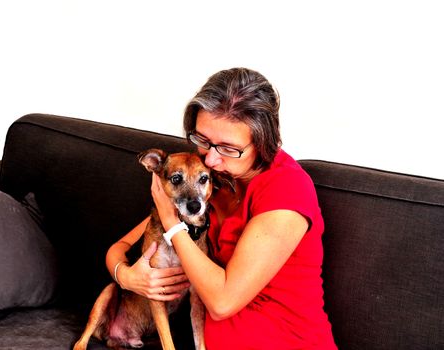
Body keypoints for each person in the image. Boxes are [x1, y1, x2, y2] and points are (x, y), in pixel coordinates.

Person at [105, 68, 337, 349]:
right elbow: (120, 247)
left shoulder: (287, 189)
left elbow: (222, 302)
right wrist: (128, 277)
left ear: (264, 142)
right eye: (203, 140)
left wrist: (172, 222)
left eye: (228, 148)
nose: (211, 159)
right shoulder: (209, 182)